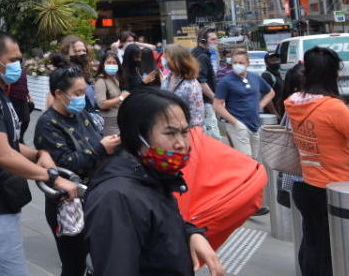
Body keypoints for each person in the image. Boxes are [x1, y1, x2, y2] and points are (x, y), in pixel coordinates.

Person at [0, 30, 78, 276]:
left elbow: (11, 143)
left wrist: (37, 154)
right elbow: (3, 155)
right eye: (14, 60)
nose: (19, 66)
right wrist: (52, 177)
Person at [84, 88, 225, 276]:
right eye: (170, 133)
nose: (181, 144)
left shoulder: (152, 175)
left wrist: (191, 233)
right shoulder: (116, 197)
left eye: (184, 132)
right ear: (138, 138)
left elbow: (157, 225)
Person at [286, 46, 349, 276]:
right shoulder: (333, 108)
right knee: (330, 252)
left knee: (312, 243)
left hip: (306, 184)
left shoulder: (293, 102)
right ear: (332, 74)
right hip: (336, 189)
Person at [34, 67, 120, 276]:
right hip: (69, 204)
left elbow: (96, 139)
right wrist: (101, 148)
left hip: (95, 197)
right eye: (77, 93)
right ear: (58, 94)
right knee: (74, 264)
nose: (82, 98)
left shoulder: (81, 114)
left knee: (100, 258)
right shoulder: (47, 124)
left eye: (84, 92)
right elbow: (65, 165)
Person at [213, 48, 275, 159]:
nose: (237, 65)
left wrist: (260, 105)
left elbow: (270, 92)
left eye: (241, 63)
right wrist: (235, 123)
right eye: (235, 63)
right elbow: (217, 105)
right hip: (237, 126)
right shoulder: (226, 81)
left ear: (247, 63)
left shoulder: (254, 77)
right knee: (246, 159)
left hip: (254, 124)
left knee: (255, 160)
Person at [162, 44, 204, 129]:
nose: (163, 60)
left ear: (175, 60)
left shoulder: (191, 84)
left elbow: (197, 115)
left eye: (166, 58)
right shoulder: (167, 78)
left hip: (185, 131)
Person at [190, 28, 220, 139]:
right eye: (213, 39)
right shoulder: (202, 57)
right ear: (203, 41)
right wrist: (215, 98)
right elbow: (201, 82)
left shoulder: (197, 53)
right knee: (213, 136)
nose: (215, 42)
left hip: (201, 102)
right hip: (205, 102)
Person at [93, 49, 127, 136]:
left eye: (114, 63)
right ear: (103, 64)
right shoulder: (101, 81)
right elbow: (102, 104)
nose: (111, 65)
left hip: (119, 119)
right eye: (108, 62)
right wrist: (121, 97)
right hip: (109, 122)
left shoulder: (114, 79)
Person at [7, 65, 33, 144]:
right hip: (13, 99)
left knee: (26, 120)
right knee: (14, 121)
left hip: (23, 99)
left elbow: (25, 86)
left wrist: (29, 96)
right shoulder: (10, 71)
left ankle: (21, 137)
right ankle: (12, 139)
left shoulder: (23, 72)